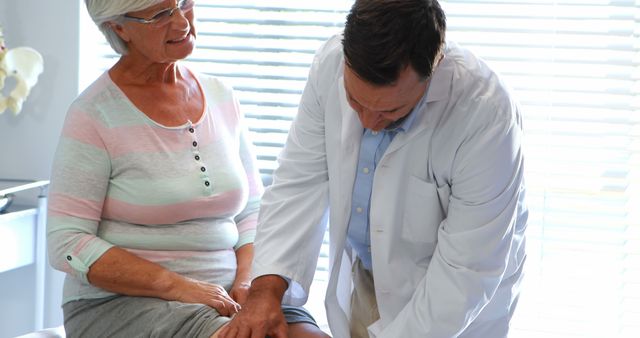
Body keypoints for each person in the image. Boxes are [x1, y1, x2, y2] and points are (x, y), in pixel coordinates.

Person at [219, 0, 528, 337]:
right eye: (355, 102)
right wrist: (265, 292)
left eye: (391, 111)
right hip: (369, 276)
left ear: (432, 70)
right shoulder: (330, 66)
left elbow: (466, 270)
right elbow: (298, 183)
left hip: (456, 305)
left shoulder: (485, 114)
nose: (368, 122)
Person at [46, 1, 329, 337]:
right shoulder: (93, 114)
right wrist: (178, 286)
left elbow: (252, 212)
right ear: (120, 27)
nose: (181, 21)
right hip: (123, 303)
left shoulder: (221, 96)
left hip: (226, 293)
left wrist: (247, 282)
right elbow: (66, 242)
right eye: (161, 14)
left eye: (183, 3)